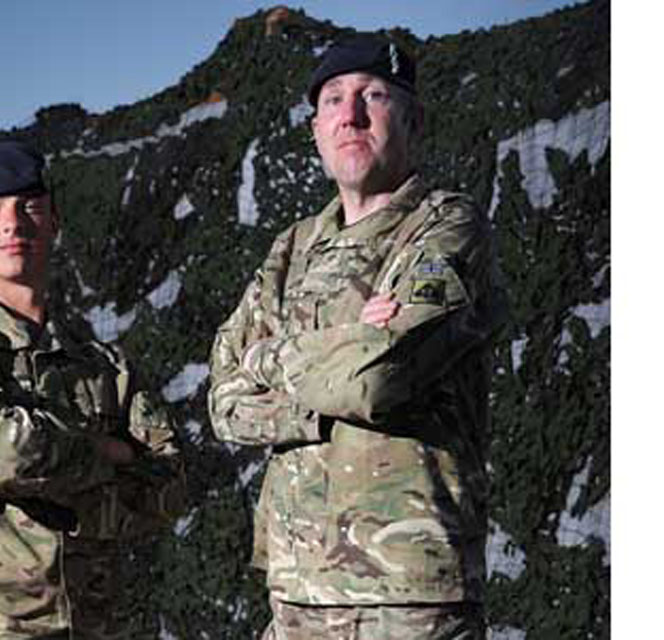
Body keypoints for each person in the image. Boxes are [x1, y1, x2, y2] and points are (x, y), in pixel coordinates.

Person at [208, 36, 508, 639]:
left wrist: (268, 357)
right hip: (296, 594)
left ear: (413, 118)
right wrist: (347, 342)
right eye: (333, 101)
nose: (351, 114)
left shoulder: (447, 225)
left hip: (408, 597)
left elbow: (378, 379)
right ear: (317, 129)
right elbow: (224, 400)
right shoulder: (291, 249)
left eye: (373, 95)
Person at [0, 141, 185, 639]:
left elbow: (169, 483)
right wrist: (100, 450)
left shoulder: (102, 364)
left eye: (28, 206)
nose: (12, 223)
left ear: (53, 221)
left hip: (97, 624)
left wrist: (53, 488)